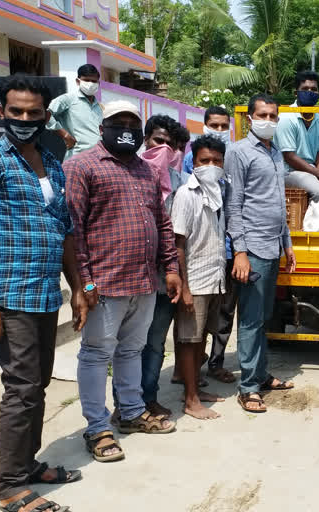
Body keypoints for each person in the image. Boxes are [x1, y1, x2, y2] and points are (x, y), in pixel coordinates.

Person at [0, 74, 87, 512]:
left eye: (34, 113)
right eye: (17, 112)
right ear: (2, 114)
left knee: (37, 384)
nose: (25, 119)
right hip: (9, 296)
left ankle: (27, 465)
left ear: (46, 116)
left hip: (46, 296)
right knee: (22, 388)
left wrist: (79, 290)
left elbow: (65, 231)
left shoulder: (51, 164)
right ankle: (11, 486)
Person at [65, 100, 181, 463]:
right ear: (103, 128)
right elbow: (74, 230)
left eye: (133, 122)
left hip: (144, 282)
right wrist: (84, 285)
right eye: (119, 122)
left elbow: (161, 223)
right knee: (97, 354)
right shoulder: (82, 167)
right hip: (104, 284)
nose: (126, 128)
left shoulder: (147, 170)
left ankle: (130, 412)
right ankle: (97, 427)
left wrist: (172, 268)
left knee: (131, 351)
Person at [225, 93, 297, 413]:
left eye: (273, 116)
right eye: (262, 115)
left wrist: (288, 243)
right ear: (250, 119)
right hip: (252, 247)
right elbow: (234, 204)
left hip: (273, 246)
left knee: (264, 317)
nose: (268, 120)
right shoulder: (238, 152)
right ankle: (249, 387)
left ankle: (261, 374)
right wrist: (239, 252)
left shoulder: (275, 153)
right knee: (251, 319)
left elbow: (278, 203)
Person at [125, 115, 188, 419]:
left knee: (154, 343)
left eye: (171, 145)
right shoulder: (128, 172)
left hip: (165, 278)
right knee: (126, 346)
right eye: (157, 141)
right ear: (145, 140)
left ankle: (147, 399)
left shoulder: (181, 184)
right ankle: (126, 405)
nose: (163, 148)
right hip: (129, 277)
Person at [172, 135, 229, 420]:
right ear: (193, 163)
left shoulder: (218, 192)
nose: (211, 166)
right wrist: (184, 288)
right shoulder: (186, 195)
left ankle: (193, 391)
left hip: (214, 277)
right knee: (189, 340)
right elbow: (178, 243)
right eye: (204, 161)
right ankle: (191, 399)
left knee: (201, 338)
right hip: (194, 279)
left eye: (216, 161)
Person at [274, 70, 319, 216]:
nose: (310, 92)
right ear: (296, 93)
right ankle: (311, 231)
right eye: (305, 89)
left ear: (318, 93)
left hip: (311, 170)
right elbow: (289, 156)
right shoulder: (287, 117)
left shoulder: (318, 119)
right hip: (289, 171)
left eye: (314, 89)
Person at [47, 64, 103, 160]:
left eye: (94, 81)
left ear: (98, 83)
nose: (90, 84)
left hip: (98, 158)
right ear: (78, 81)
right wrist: (65, 135)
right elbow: (46, 114)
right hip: (77, 157)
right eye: (86, 80)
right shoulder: (68, 99)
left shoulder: (99, 106)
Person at [183, 106, 232, 174]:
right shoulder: (190, 157)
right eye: (214, 125)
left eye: (224, 126)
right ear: (205, 127)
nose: (220, 130)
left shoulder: (236, 155)